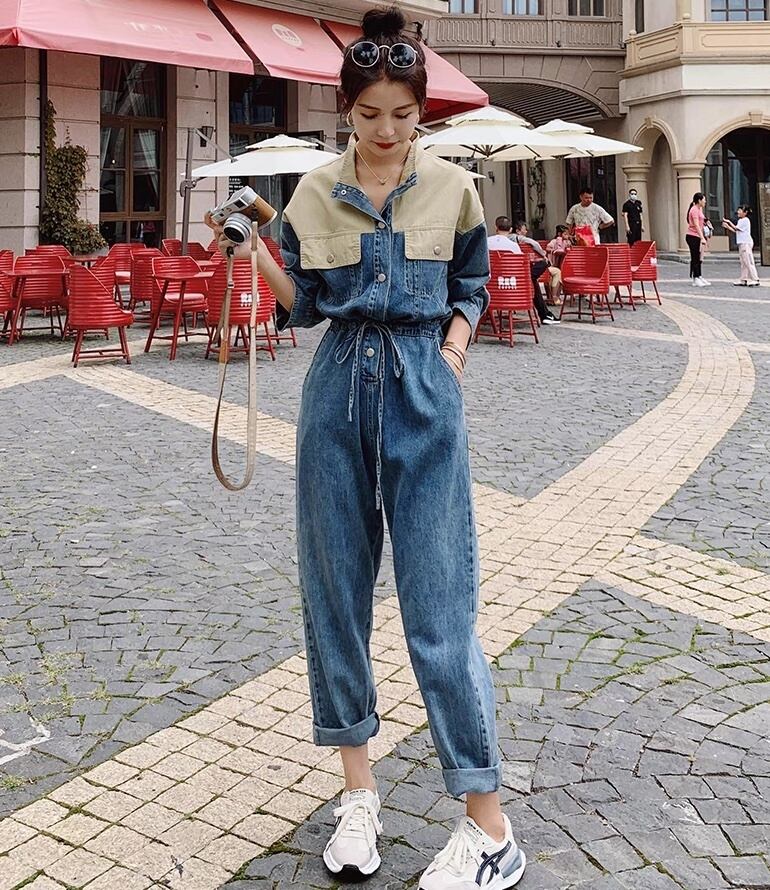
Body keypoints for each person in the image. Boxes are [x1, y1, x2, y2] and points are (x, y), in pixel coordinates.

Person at [206, 7, 527, 889]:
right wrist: (253, 251)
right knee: (335, 599)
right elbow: (307, 305)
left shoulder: (454, 188)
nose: (387, 130)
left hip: (424, 392)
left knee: (440, 610)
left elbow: (471, 283)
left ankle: (490, 828)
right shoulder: (313, 192)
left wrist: (453, 352)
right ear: (345, 109)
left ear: (421, 111)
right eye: (370, 113)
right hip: (337, 392)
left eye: (404, 115)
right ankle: (358, 796)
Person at [512, 221, 561, 321]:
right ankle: (545, 314)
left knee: (531, 278)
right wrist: (543, 255)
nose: (526, 231)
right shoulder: (516, 239)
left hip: (503, 278)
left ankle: (545, 314)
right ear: (516, 231)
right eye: (524, 229)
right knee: (535, 274)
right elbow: (534, 243)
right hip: (519, 274)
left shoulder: (491, 242)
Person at [722, 205, 760, 287]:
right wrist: (728, 227)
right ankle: (743, 279)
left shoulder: (745, 220)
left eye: (740, 210)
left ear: (745, 212)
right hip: (742, 243)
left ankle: (755, 279)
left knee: (748, 261)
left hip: (746, 243)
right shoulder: (741, 220)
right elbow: (737, 231)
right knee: (743, 262)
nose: (738, 212)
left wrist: (729, 222)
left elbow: (736, 228)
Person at [685, 192, 711, 287]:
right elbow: (696, 225)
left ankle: (699, 276)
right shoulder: (694, 210)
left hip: (697, 236)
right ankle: (695, 278)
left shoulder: (699, 209)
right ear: (699, 200)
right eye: (704, 200)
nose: (705, 201)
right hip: (692, 236)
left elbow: (701, 222)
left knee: (699, 257)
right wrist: (702, 237)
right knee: (695, 257)